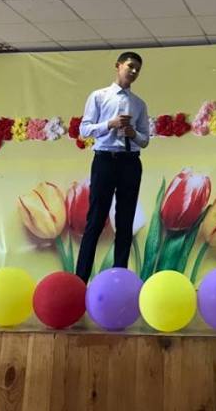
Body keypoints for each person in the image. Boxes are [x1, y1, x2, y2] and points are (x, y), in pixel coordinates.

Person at [76, 51, 149, 282]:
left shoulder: (139, 104)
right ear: (118, 66)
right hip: (105, 160)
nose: (134, 71)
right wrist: (110, 124)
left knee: (125, 222)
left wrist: (132, 133)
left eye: (137, 69)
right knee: (95, 220)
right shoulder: (99, 97)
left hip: (130, 162)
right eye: (130, 66)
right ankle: (80, 280)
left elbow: (145, 140)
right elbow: (84, 130)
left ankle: (119, 280)